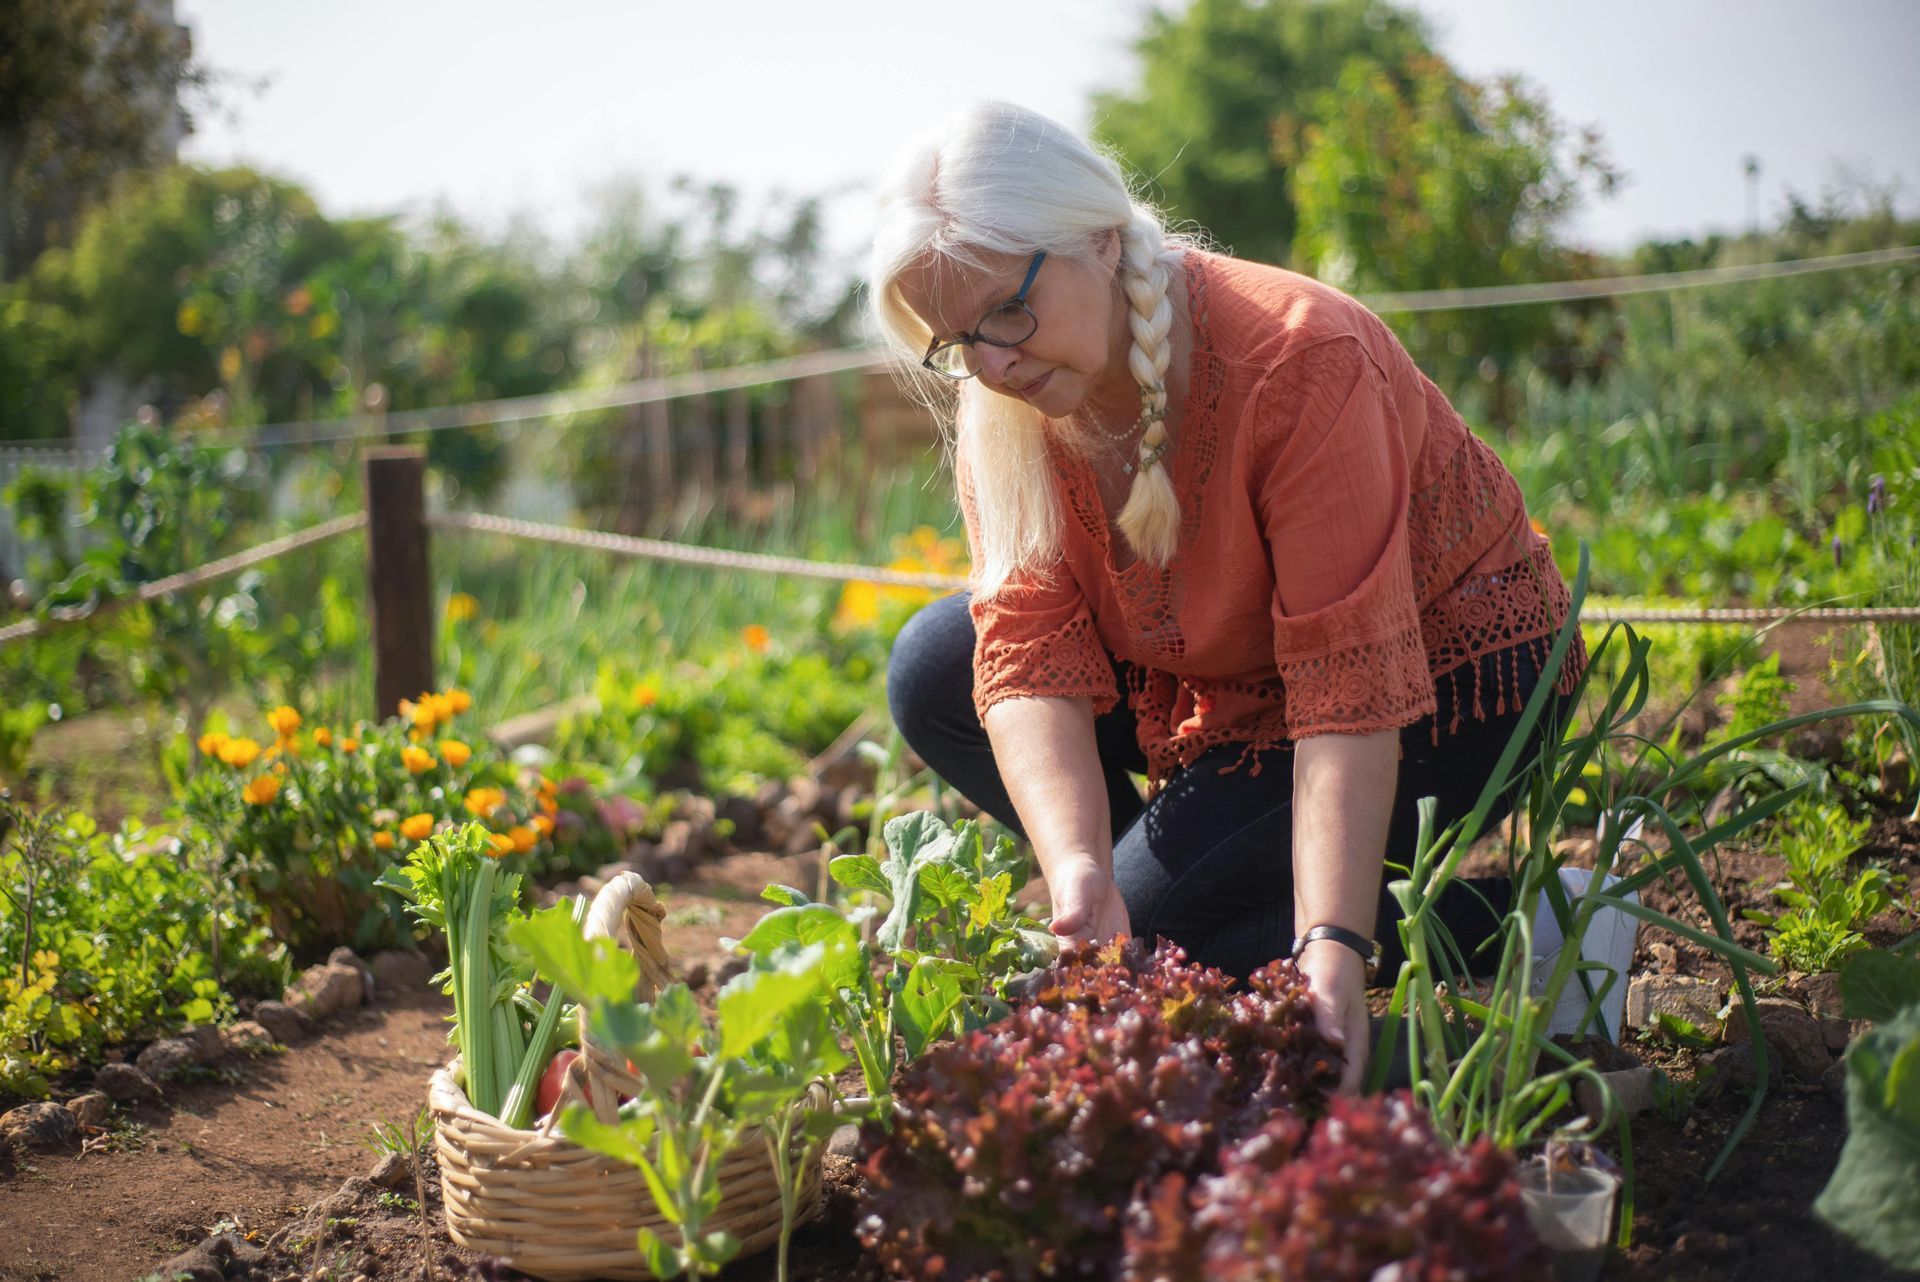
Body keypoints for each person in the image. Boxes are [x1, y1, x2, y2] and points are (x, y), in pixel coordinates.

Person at [870, 101, 1636, 1093]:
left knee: (1167, 933)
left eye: (1007, 316)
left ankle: (1537, 922)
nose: (993, 365)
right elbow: (1026, 643)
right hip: (1234, 681)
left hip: (1448, 682)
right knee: (938, 666)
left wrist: (1331, 949)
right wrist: (1078, 870)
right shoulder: (1005, 397)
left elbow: (1347, 696)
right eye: (956, 341)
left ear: (1100, 240)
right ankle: (1175, 902)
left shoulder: (1298, 358)